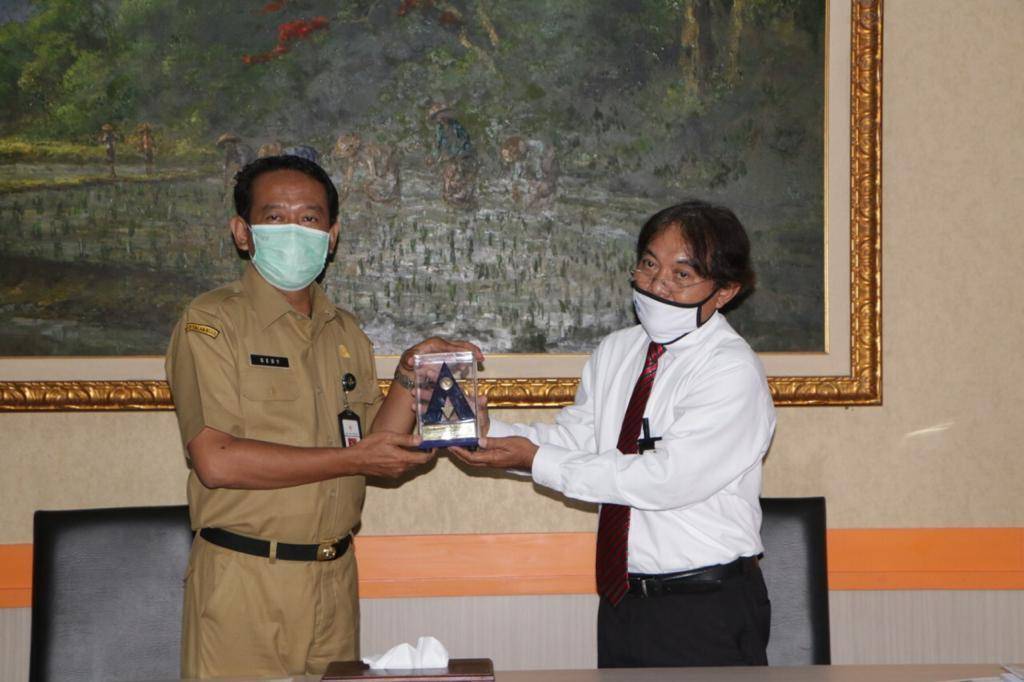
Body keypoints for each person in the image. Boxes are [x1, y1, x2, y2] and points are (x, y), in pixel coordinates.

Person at [165, 154, 480, 679]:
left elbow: (373, 445)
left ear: (331, 235)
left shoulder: (345, 332)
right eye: (275, 216)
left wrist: (411, 376)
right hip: (245, 580)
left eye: (309, 218)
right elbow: (216, 461)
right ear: (243, 232)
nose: (294, 230)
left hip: (334, 579)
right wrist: (354, 459)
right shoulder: (212, 323)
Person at [451, 200, 776, 668]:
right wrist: (487, 433)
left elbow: (666, 480)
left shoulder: (729, 369)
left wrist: (533, 459)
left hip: (705, 606)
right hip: (624, 600)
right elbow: (579, 440)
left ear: (724, 291)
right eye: (649, 264)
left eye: (682, 274)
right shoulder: (618, 351)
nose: (657, 284)